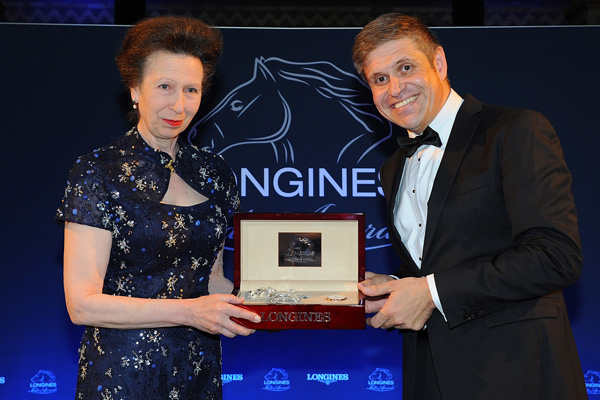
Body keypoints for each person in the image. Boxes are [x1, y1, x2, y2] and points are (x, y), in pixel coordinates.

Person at [352, 13, 586, 399]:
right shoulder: (393, 168)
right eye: (379, 79)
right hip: (429, 376)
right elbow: (438, 263)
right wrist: (393, 286)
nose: (395, 89)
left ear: (439, 63)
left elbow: (555, 256)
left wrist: (430, 292)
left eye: (405, 68)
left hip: (515, 376)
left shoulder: (515, 130)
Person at [55, 16, 261, 399]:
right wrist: (189, 311)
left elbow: (212, 280)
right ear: (135, 89)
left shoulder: (216, 173)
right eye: (165, 86)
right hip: (121, 377)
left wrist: (280, 302)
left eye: (191, 90)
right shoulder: (98, 171)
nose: (178, 104)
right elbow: (82, 305)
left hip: (198, 373)